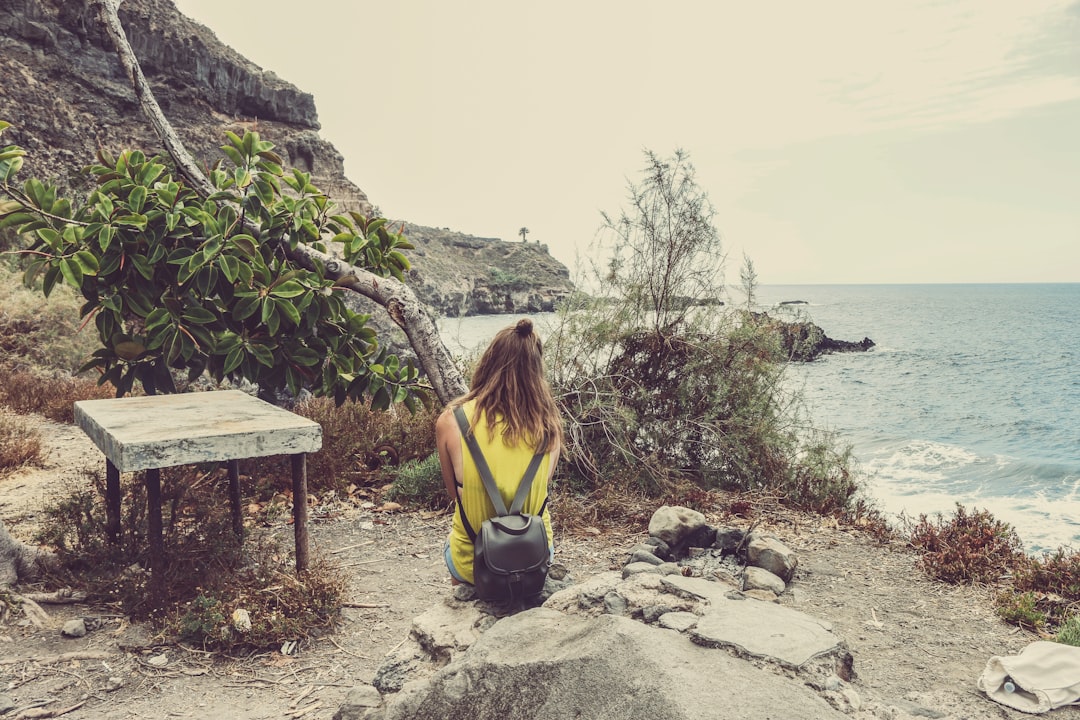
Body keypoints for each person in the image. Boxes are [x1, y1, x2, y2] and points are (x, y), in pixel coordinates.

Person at [435, 318, 563, 586]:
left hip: (473, 562)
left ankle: (463, 612)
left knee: (457, 546)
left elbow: (453, 493)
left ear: (488, 362)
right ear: (537, 370)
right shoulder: (551, 426)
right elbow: (542, 485)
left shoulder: (451, 421)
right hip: (534, 558)